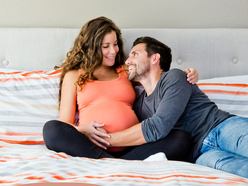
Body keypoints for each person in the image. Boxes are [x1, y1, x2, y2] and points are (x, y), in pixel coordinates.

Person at [43, 16, 199, 161]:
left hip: (133, 148)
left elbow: (157, 78)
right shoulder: (74, 76)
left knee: (181, 139)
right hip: (90, 147)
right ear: (90, 47)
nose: (114, 51)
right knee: (51, 129)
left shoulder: (126, 70)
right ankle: (109, 161)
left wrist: (187, 74)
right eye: (106, 46)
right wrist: (85, 130)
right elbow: (65, 124)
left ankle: (110, 163)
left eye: (115, 44)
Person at [100, 36, 248, 178]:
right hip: (200, 154)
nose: (128, 61)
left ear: (154, 59)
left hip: (221, 128)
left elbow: (159, 126)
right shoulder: (139, 105)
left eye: (135, 54)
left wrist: (106, 140)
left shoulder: (174, 77)